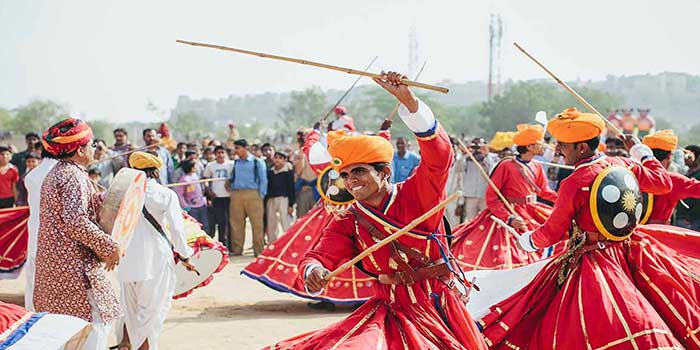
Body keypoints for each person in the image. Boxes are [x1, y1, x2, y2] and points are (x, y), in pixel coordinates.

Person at [269, 71, 486, 350]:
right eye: (345, 175)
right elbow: (319, 254)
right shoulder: (348, 218)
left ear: (384, 172)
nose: (351, 181)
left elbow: (440, 157)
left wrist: (409, 102)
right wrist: (314, 270)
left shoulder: (417, 194)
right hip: (389, 307)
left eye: (359, 171)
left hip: (436, 304)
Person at [479, 108, 700, 349]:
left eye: (563, 145)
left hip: (596, 259)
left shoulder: (574, 183)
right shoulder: (623, 163)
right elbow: (663, 182)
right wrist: (640, 151)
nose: (558, 150)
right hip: (632, 250)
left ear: (582, 147)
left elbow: (552, 233)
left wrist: (527, 241)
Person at [33, 118, 122, 350]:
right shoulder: (73, 176)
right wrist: (109, 247)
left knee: (64, 332)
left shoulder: (55, 174)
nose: (94, 149)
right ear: (80, 150)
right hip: (75, 268)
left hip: (55, 268)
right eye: (91, 145)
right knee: (94, 328)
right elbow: (76, 221)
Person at [449, 124, 558, 271]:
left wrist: (563, 200)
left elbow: (543, 191)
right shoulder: (506, 165)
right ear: (530, 146)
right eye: (540, 143)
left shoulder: (536, 166)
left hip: (529, 210)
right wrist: (509, 219)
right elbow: (492, 197)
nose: (544, 146)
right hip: (508, 213)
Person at [115, 151, 194, 350]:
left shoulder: (120, 194)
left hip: (126, 259)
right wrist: (185, 255)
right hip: (155, 260)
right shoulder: (165, 194)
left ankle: (125, 344)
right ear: (156, 171)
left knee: (129, 310)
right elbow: (177, 229)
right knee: (150, 313)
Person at [23, 145, 58, 311]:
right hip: (54, 242)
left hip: (36, 237)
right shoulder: (61, 175)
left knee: (33, 284)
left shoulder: (32, 175)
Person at [642, 130, 700, 224]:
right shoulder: (672, 180)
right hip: (657, 234)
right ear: (669, 156)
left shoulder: (633, 173)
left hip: (626, 234)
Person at [228, 139, 267, 256]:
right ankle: (237, 249)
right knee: (236, 223)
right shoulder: (236, 163)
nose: (236, 151)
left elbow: (263, 179)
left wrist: (261, 195)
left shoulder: (257, 162)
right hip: (236, 194)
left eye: (238, 148)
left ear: (245, 148)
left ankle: (258, 250)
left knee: (257, 223)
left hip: (253, 194)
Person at [457, 138, 497, 222]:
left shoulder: (489, 158)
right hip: (470, 195)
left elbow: (491, 172)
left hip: (484, 195)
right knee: (471, 220)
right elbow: (458, 168)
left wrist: (486, 155)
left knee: (485, 220)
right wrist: (464, 154)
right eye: (474, 147)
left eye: (478, 147)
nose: (476, 150)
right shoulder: (467, 159)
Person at [203, 145, 234, 248]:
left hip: (229, 197)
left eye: (222, 152)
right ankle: (222, 244)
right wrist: (208, 190)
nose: (221, 155)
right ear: (215, 154)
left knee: (230, 221)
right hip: (217, 197)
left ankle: (230, 244)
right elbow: (205, 179)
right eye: (218, 153)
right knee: (221, 222)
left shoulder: (231, 164)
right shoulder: (210, 165)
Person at [265, 151, 295, 244]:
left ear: (285, 160)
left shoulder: (288, 172)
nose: (277, 160)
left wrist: (291, 204)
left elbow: (291, 188)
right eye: (276, 157)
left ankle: (288, 243)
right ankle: (272, 243)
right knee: (271, 222)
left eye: (280, 158)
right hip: (271, 199)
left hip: (283, 198)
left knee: (285, 221)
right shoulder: (270, 171)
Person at [175, 160, 209, 232]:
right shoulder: (184, 180)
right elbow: (180, 194)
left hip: (201, 205)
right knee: (195, 227)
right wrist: (185, 206)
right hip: (192, 208)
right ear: (191, 168)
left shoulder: (195, 176)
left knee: (205, 226)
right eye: (194, 166)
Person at [675, 145, 700, 229]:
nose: (685, 158)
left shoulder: (697, 175)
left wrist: (689, 217)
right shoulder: (687, 173)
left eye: (688, 155)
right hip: (682, 217)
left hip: (692, 220)